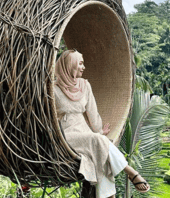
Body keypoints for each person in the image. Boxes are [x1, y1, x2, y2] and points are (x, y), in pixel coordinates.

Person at [54, 50, 150, 198]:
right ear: (69, 65)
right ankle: (130, 172)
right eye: (80, 63)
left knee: (100, 152)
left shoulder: (85, 85)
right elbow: (49, 118)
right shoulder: (53, 89)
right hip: (66, 134)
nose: (83, 67)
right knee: (99, 142)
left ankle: (110, 196)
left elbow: (93, 113)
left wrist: (99, 130)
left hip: (84, 131)